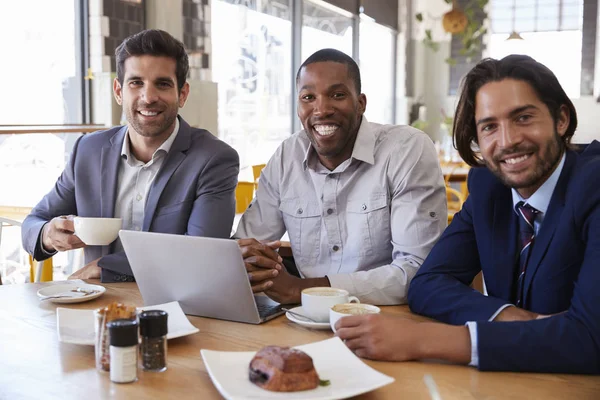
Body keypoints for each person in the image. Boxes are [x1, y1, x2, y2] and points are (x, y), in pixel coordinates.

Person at [335, 54, 600, 374]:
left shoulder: (593, 185)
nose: (508, 141)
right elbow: (427, 283)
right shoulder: (490, 187)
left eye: (523, 118)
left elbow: (590, 339)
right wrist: (510, 317)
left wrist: (424, 340)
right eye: (489, 126)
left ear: (561, 119)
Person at [22, 29, 239, 282]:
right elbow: (32, 223)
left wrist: (106, 267)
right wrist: (48, 234)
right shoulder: (88, 151)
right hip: (96, 309)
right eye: (136, 83)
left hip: (175, 309)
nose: (148, 98)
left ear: (182, 94)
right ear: (118, 91)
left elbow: (202, 253)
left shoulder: (214, 159)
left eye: (163, 84)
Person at [234, 48, 447, 305]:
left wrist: (302, 290)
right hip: (303, 319)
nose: (321, 109)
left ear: (360, 103)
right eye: (308, 97)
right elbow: (247, 248)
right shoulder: (287, 156)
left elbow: (417, 271)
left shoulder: (406, 149)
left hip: (388, 319)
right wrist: (250, 259)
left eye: (337, 95)